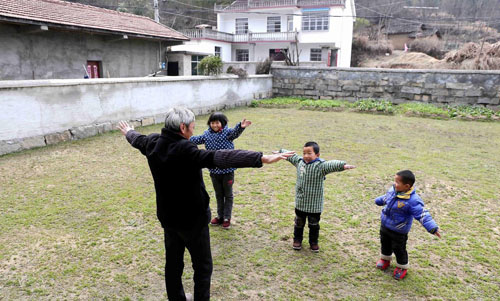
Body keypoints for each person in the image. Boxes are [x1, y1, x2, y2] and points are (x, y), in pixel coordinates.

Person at [117, 107, 293, 301]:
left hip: (169, 219)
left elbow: (137, 139)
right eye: (192, 125)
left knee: (173, 264)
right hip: (193, 220)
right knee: (202, 266)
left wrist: (128, 132)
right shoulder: (186, 149)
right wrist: (260, 158)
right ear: (183, 127)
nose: (194, 128)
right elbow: (218, 157)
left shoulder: (153, 142)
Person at [279, 142, 356, 252]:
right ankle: (297, 240)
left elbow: (331, 164)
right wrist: (281, 152)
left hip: (315, 205)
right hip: (301, 202)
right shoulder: (300, 162)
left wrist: (342, 165)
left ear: (317, 155)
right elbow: (292, 156)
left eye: (309, 153)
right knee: (299, 223)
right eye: (304, 153)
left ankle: (313, 242)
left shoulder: (320, 166)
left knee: (314, 225)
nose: (306, 156)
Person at [375, 170, 441, 280]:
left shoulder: (413, 201)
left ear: (406, 186)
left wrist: (432, 228)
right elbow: (387, 197)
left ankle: (402, 266)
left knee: (399, 248)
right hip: (385, 225)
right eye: (395, 181)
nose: (394, 184)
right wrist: (379, 200)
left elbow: (422, 214)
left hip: (399, 231)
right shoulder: (393, 190)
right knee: (384, 243)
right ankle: (385, 258)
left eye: (397, 182)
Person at [190, 112, 251, 229]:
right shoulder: (206, 134)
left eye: (217, 122)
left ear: (222, 123)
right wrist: (183, 136)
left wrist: (240, 127)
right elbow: (195, 139)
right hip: (214, 171)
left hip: (228, 171)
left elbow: (235, 133)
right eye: (212, 123)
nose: (214, 125)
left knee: (228, 195)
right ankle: (220, 216)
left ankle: (227, 217)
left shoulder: (227, 133)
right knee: (218, 195)